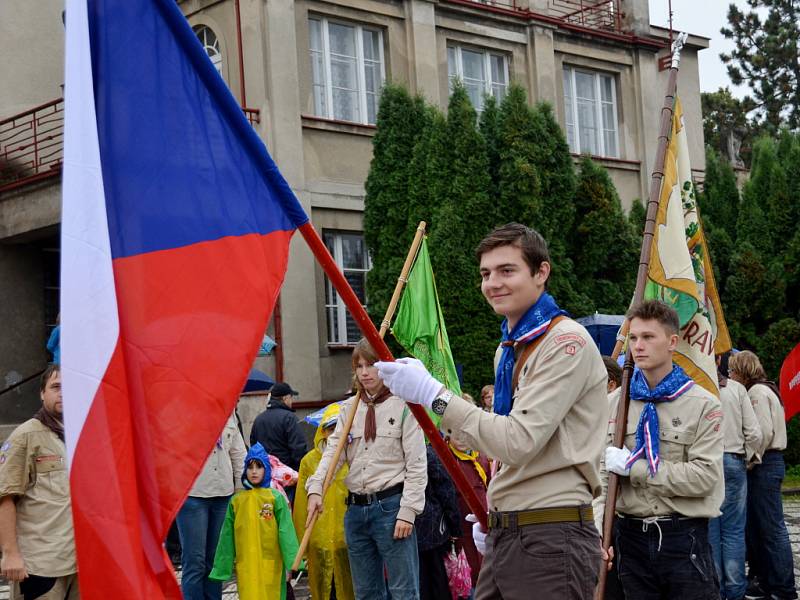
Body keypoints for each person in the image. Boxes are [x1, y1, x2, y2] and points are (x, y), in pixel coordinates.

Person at [376, 223, 608, 599]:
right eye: (486, 273)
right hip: (511, 532)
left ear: (541, 272)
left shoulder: (565, 342)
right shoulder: (509, 348)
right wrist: (500, 509)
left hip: (550, 532)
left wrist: (435, 395)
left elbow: (518, 440)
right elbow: (496, 437)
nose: (493, 283)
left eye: (507, 270)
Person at [598, 300, 723, 599]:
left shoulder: (703, 405)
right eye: (634, 338)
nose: (638, 346)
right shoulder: (616, 404)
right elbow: (601, 479)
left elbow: (704, 477)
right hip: (630, 538)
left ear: (672, 342)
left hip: (684, 539)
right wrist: (598, 533)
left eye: (648, 337)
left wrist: (635, 468)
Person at [305, 338, 427, 600]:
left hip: (391, 508)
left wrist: (408, 511)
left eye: (370, 365)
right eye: (358, 366)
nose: (364, 372)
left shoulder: (405, 405)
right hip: (356, 512)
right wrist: (315, 489)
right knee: (366, 593)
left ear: (384, 366)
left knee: (404, 591)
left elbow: (417, 464)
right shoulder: (348, 409)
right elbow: (332, 455)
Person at [0, 364, 80, 599]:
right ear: (42, 393)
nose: (63, 393)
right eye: (56, 387)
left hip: (81, 559)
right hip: (42, 562)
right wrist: (10, 554)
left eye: (70, 387)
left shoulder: (85, 435)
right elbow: (5, 497)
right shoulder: (26, 436)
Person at [729, 350, 797, 600]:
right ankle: (767, 581)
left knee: (771, 529)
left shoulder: (756, 393)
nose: (731, 375)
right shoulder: (769, 389)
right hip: (772, 462)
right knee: (762, 527)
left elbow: (762, 432)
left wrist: (748, 461)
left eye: (734, 370)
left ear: (743, 371)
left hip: (765, 463)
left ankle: (782, 588)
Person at [209, 443, 299, 600]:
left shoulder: (275, 498)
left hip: (271, 563)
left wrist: (293, 559)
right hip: (246, 565)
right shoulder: (236, 502)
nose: (254, 471)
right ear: (245, 470)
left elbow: (286, 531)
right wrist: (221, 567)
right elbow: (227, 536)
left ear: (267, 469)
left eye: (259, 466)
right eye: (250, 467)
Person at [708, 352, 762, 600]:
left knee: (710, 530)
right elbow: (754, 434)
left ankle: (716, 590)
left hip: (706, 463)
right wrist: (748, 458)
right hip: (733, 460)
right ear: (720, 360)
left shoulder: (694, 388)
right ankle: (736, 591)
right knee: (733, 531)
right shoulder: (737, 390)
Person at [176, 412, 246, 600]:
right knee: (194, 561)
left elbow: (238, 453)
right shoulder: (187, 409)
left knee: (216, 561)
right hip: (192, 495)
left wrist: (241, 490)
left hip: (223, 494)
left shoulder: (229, 413)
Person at [293, 403, 354, 600]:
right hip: (319, 539)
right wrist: (301, 543)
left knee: (350, 589)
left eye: (338, 427)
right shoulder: (309, 462)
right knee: (324, 591)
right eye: (330, 428)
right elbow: (302, 505)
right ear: (323, 431)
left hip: (348, 539)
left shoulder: (353, 457)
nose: (334, 433)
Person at [416, 445, 462, 600]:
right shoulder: (427, 452)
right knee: (438, 582)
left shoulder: (394, 453)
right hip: (433, 529)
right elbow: (447, 491)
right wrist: (455, 528)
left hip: (404, 532)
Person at [447, 436, 490, 592]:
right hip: (462, 529)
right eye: (456, 433)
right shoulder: (445, 457)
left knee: (487, 570)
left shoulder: (481, 456)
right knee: (469, 574)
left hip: (485, 525)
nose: (461, 438)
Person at [250, 382, 307, 499]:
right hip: (286, 478)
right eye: (291, 398)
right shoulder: (289, 418)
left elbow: (254, 446)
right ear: (285, 398)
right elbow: (299, 449)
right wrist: (300, 473)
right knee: (285, 513)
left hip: (264, 478)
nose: (292, 401)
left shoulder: (259, 419)